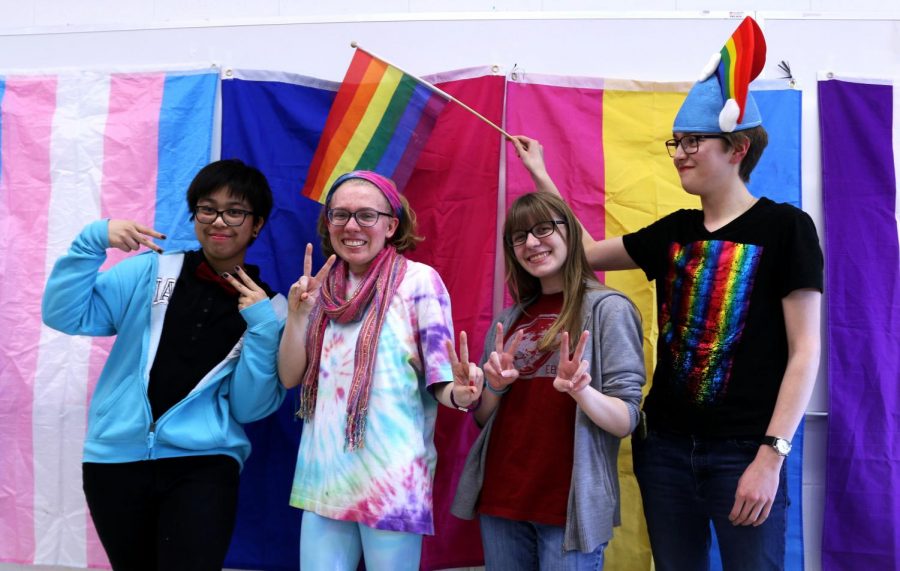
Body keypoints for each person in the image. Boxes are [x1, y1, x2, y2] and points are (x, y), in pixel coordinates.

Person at [512, 17, 823, 571]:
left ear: (737, 147)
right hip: (667, 450)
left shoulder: (787, 228)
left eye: (692, 142)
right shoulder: (673, 231)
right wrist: (540, 173)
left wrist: (771, 455)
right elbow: (582, 249)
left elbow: (805, 352)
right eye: (675, 143)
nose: (679, 153)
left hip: (744, 451)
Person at [41, 159, 287, 571]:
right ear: (194, 216)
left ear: (256, 224)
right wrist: (92, 240)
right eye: (207, 209)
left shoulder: (273, 311)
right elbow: (65, 315)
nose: (218, 221)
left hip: (205, 463)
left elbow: (249, 408)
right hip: (115, 460)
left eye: (235, 211)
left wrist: (261, 327)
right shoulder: (153, 270)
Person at [278, 170, 483, 571]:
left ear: (391, 225)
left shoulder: (420, 281)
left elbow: (441, 381)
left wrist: (461, 394)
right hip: (324, 476)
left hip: (392, 479)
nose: (351, 226)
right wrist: (298, 315)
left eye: (365, 216)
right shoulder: (318, 289)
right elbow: (289, 378)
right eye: (339, 215)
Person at [451, 191, 645, 570]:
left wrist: (582, 391)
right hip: (501, 499)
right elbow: (482, 419)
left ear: (570, 234)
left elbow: (626, 420)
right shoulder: (508, 320)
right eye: (519, 237)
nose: (532, 243)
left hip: (568, 510)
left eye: (543, 229)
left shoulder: (609, 309)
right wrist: (492, 388)